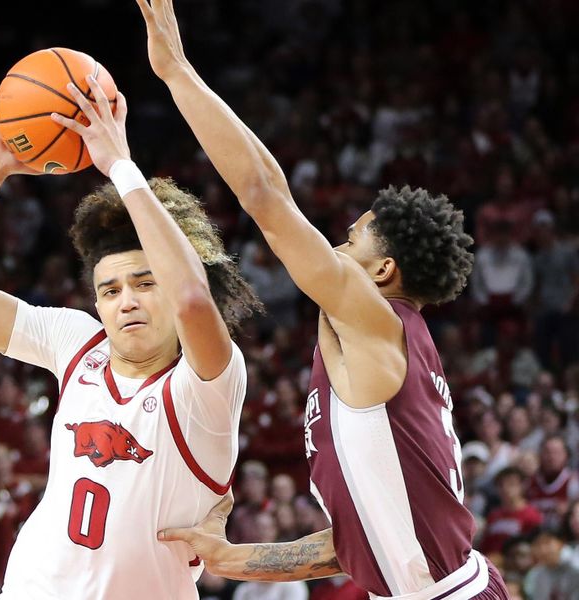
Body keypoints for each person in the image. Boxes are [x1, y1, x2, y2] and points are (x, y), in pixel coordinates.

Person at [135, 0, 509, 597]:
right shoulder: (384, 347)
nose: (334, 244)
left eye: (352, 237)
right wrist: (236, 560)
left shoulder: (375, 320)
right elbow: (355, 542)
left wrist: (177, 72)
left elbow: (264, 195)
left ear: (382, 271)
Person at [0, 71, 261, 598]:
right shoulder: (78, 343)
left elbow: (192, 299)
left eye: (146, 283)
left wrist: (120, 163)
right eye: (111, 290)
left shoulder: (207, 385)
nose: (128, 301)